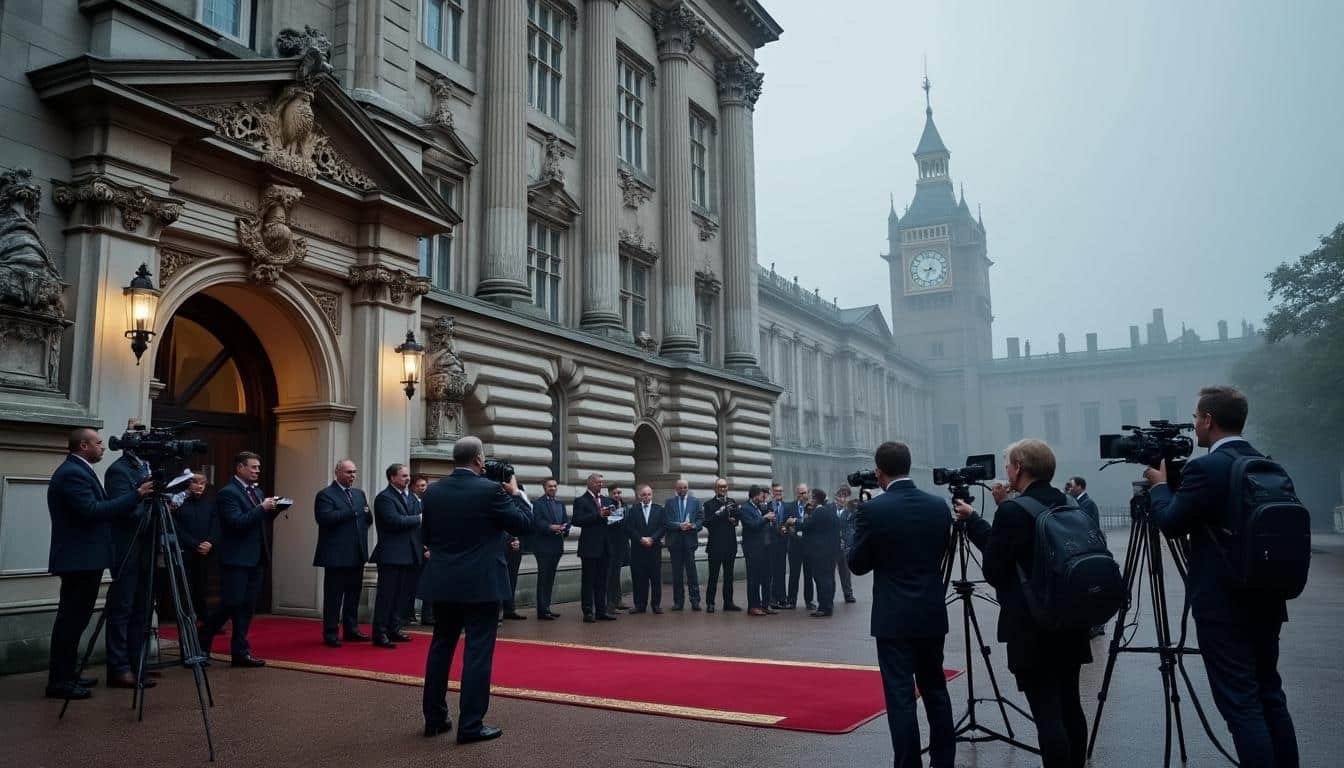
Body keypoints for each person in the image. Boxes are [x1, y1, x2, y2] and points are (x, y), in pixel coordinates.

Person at [1146, 386, 1299, 766]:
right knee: (1270, 695)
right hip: (1268, 597)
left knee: (1241, 705)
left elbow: (1171, 523)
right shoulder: (1267, 464)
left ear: (1209, 420)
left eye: (1196, 417)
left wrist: (1160, 488)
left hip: (1224, 606)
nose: (1195, 424)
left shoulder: (1206, 468)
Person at [956, 439, 1091, 768]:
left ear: (1018, 468)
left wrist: (987, 516)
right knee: (1070, 705)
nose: (1005, 471)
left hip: (1033, 625)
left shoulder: (1012, 511)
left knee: (1047, 712)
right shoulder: (1069, 503)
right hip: (1071, 618)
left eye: (1008, 465)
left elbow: (995, 569)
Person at [420, 436, 532, 743]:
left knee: (441, 647)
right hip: (481, 583)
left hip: (443, 580)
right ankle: (470, 724)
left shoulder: (433, 491)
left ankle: (434, 718)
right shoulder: (492, 491)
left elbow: (426, 535)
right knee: (477, 653)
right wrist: (515, 492)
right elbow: (524, 524)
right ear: (479, 460)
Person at [850, 441, 955, 768]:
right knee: (936, 690)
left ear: (879, 472)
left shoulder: (873, 510)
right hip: (930, 611)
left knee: (900, 696)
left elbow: (857, 564)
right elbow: (941, 550)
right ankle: (943, 761)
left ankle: (908, 763)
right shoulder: (938, 506)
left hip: (893, 617)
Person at [45, 428, 153, 699]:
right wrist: (137, 495)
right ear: (83, 446)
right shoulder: (72, 473)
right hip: (78, 559)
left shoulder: (80, 470)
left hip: (85, 558)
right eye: (98, 443)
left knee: (76, 620)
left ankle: (68, 673)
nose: (103, 447)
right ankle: (59, 681)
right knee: (71, 621)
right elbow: (91, 510)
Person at [200, 451, 281, 667]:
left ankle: (240, 653)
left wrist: (273, 509)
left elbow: (258, 521)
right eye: (253, 467)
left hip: (256, 557)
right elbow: (237, 522)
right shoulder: (228, 493)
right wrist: (262, 508)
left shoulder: (257, 491)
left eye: (258, 467)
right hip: (235, 558)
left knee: (247, 607)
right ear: (240, 468)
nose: (257, 471)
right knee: (231, 603)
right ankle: (203, 638)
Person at [102, 429, 154, 689]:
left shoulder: (147, 468)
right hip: (127, 546)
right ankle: (119, 668)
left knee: (143, 609)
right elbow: (124, 511)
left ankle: (138, 663)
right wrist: (146, 499)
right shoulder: (118, 471)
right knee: (122, 608)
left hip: (147, 546)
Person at [312, 459, 371, 647]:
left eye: (354, 472)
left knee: (353, 595)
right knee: (333, 596)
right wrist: (353, 511)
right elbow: (325, 518)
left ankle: (351, 629)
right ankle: (330, 633)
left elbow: (367, 518)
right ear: (337, 472)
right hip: (336, 555)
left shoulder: (359, 494)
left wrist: (363, 513)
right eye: (348, 472)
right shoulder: (325, 495)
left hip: (356, 553)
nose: (352, 476)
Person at [371, 463, 422, 647]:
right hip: (391, 555)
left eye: (408, 476)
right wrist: (418, 519)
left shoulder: (411, 498)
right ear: (392, 478)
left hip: (409, 554)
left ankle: (394, 628)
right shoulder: (384, 498)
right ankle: (380, 633)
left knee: (401, 596)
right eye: (403, 476)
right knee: (386, 596)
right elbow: (394, 521)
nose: (408, 479)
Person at [171, 473, 217, 631]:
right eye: (196, 482)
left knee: (202, 587)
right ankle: (188, 621)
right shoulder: (179, 503)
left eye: (203, 483)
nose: (200, 486)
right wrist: (195, 544)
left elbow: (216, 525)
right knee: (186, 587)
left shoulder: (210, 503)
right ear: (188, 484)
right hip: (186, 551)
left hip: (205, 552)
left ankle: (205, 620)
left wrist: (209, 542)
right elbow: (177, 528)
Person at [1064, 476, 1106, 637]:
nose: (1069, 489)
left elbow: (1086, 526)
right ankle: (1093, 623)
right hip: (1084, 550)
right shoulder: (1078, 502)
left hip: (1088, 550)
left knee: (1093, 588)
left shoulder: (1087, 503)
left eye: (1071, 486)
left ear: (1080, 486)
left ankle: (1097, 624)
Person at [572, 473, 616, 622]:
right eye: (597, 482)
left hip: (605, 546)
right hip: (589, 547)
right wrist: (598, 515)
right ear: (589, 483)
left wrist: (615, 515)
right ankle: (588, 611)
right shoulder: (581, 501)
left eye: (601, 482)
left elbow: (612, 520)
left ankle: (601, 611)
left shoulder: (606, 500)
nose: (600, 485)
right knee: (588, 581)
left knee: (602, 581)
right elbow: (577, 520)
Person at [624, 484, 666, 613]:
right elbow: (630, 528)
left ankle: (656, 605)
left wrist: (652, 539)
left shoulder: (659, 509)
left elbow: (662, 527)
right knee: (639, 578)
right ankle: (639, 604)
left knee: (655, 578)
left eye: (648, 494)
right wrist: (641, 539)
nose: (646, 497)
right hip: (638, 549)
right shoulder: (633, 510)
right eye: (644, 495)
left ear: (652, 495)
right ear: (639, 496)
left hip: (654, 548)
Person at [703, 478, 742, 613]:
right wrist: (719, 513)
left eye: (725, 486)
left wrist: (734, 520)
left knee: (729, 576)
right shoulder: (709, 504)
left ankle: (728, 602)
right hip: (715, 546)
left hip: (730, 545)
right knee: (713, 576)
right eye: (720, 487)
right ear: (715, 489)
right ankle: (710, 603)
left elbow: (737, 519)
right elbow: (706, 522)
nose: (723, 489)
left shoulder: (732, 502)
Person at [663, 478, 704, 611]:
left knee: (692, 573)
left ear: (688, 488)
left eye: (685, 487)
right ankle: (678, 602)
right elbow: (666, 521)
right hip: (674, 542)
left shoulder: (695, 502)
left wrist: (693, 526)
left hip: (689, 542)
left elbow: (700, 519)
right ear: (676, 489)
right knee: (677, 574)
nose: (682, 490)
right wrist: (679, 526)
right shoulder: (669, 503)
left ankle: (695, 601)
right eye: (680, 488)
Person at [531, 478, 568, 620]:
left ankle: (547, 607)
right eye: (550, 486)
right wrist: (550, 527)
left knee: (550, 578)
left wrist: (564, 529)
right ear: (544, 488)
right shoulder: (538, 503)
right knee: (543, 578)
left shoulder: (560, 504)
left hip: (557, 546)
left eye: (555, 486)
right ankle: (542, 611)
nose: (553, 488)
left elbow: (565, 521)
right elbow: (537, 522)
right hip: (543, 547)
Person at [738, 485, 777, 616]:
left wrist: (770, 519)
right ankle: (753, 606)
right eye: (761, 495)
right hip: (753, 549)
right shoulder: (745, 509)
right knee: (753, 578)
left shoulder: (761, 507)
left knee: (766, 578)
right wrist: (765, 518)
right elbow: (752, 525)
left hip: (766, 548)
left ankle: (765, 605)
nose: (763, 498)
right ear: (755, 496)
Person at [799, 488, 838, 617]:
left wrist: (794, 522)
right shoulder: (830, 510)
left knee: (822, 580)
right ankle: (828, 605)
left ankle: (824, 607)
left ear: (815, 499)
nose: (809, 499)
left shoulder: (819, 512)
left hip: (820, 552)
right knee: (828, 579)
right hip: (829, 551)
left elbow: (807, 526)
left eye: (811, 497)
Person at [785, 483, 814, 610]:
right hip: (794, 546)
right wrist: (787, 527)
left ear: (808, 492)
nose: (803, 495)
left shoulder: (812, 507)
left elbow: (812, 525)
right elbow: (785, 524)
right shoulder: (790, 507)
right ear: (797, 494)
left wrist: (797, 522)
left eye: (805, 492)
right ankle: (791, 601)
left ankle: (809, 601)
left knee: (809, 575)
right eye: (800, 493)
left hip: (808, 546)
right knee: (794, 575)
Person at [410, 474, 433, 626]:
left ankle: (427, 616)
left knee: (428, 583)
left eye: (424, 485)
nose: (422, 488)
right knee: (412, 584)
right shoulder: (410, 501)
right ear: (413, 487)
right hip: (415, 549)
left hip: (427, 549)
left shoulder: (427, 501)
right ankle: (408, 614)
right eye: (419, 485)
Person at [604, 484, 630, 611]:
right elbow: (609, 521)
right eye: (614, 493)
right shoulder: (607, 505)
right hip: (611, 544)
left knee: (617, 573)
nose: (617, 495)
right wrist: (619, 511)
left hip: (622, 544)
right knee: (610, 574)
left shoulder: (625, 506)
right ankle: (610, 602)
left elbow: (627, 522)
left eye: (619, 493)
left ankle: (618, 600)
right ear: (610, 494)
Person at [766, 483, 789, 609]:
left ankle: (782, 598)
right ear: (772, 492)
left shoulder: (787, 506)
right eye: (776, 491)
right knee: (771, 571)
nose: (778, 493)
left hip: (783, 543)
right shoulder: (767, 506)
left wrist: (787, 528)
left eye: (780, 491)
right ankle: (771, 598)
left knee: (781, 571)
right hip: (770, 544)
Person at [835, 486, 858, 603]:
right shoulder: (829, 509)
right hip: (832, 546)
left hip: (845, 547)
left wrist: (849, 541)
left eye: (845, 497)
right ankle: (829, 595)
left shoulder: (851, 512)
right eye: (840, 496)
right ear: (836, 497)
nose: (842, 499)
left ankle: (848, 594)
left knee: (845, 572)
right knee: (829, 572)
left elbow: (854, 528)